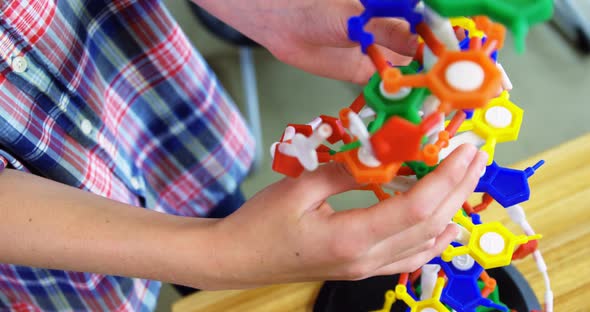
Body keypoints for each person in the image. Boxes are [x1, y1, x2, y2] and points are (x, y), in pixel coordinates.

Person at [0, 0, 488, 310]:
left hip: (153, 113)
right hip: (45, 265)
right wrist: (216, 254)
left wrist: (266, 9)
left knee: (243, 244)